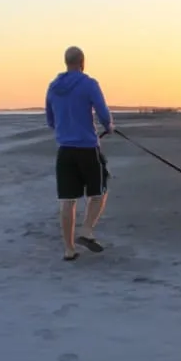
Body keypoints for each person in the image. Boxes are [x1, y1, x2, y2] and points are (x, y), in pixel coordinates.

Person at [45, 46, 114, 261]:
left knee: (68, 200)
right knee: (99, 192)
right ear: (82, 62)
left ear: (66, 62)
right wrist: (109, 125)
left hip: (64, 150)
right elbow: (103, 112)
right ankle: (86, 230)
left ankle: (69, 249)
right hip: (86, 147)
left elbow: (50, 120)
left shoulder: (53, 87)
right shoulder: (89, 84)